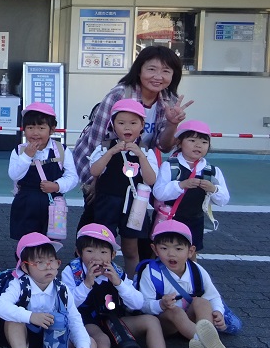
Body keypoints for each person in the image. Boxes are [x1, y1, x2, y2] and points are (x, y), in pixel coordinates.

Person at [61, 223, 197, 348]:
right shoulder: (72, 271)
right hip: (86, 321)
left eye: (103, 252)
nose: (96, 257)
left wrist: (118, 283)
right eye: (89, 251)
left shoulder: (117, 272)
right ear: (78, 252)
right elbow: (68, 304)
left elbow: (137, 303)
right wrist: (87, 283)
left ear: (113, 254)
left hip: (114, 319)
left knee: (151, 321)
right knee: (100, 337)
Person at [72, 46, 192, 220]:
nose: (158, 76)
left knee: (134, 223)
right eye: (152, 69)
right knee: (97, 218)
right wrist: (94, 182)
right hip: (103, 165)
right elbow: (96, 140)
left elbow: (164, 146)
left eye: (166, 71)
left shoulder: (169, 101)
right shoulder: (120, 95)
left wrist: (173, 124)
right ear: (139, 70)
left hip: (133, 169)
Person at [0, 233, 96, 348]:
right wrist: (30, 316)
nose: (48, 267)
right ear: (25, 267)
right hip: (25, 342)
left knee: (89, 342)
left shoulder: (62, 289)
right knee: (13, 321)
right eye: (40, 263)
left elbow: (75, 319)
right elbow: (0, 307)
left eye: (52, 261)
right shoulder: (19, 284)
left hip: (55, 345)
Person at [135, 220, 231, 348]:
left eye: (179, 248)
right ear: (155, 249)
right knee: (175, 311)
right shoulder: (151, 272)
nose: (171, 254)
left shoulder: (196, 270)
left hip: (189, 321)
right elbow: (143, 305)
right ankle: (205, 342)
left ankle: (206, 340)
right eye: (164, 248)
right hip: (164, 325)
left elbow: (213, 296)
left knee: (202, 302)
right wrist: (161, 304)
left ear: (191, 251)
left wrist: (218, 311)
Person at [87, 99, 159, 276]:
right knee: (103, 244)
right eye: (121, 123)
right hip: (107, 203)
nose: (127, 127)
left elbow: (151, 180)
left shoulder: (146, 152)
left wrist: (140, 156)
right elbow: (94, 170)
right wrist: (112, 152)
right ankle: (100, 281)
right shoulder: (105, 147)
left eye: (133, 123)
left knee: (131, 249)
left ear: (142, 125)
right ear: (113, 125)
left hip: (135, 206)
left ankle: (133, 284)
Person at [152, 120, 229, 252]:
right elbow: (158, 193)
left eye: (204, 142)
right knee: (162, 251)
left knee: (191, 252)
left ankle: (191, 267)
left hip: (195, 220)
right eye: (192, 140)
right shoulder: (170, 166)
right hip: (169, 218)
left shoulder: (212, 171)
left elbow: (224, 200)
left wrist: (213, 189)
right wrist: (181, 185)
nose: (198, 145)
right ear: (179, 143)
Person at [7, 102, 78, 241]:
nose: (35, 133)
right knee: (26, 243)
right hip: (25, 204)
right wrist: (27, 156)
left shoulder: (61, 150)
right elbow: (14, 174)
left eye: (41, 128)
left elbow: (72, 176)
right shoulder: (19, 151)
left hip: (53, 206)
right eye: (30, 127)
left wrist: (57, 186)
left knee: (50, 244)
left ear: (52, 129)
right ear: (24, 129)